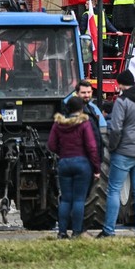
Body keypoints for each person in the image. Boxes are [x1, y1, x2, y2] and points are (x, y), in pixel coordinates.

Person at [99, 70, 135, 239]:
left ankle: (109, 230)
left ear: (121, 84)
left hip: (124, 152)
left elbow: (116, 128)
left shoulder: (122, 101)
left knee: (114, 189)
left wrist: (112, 146)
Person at [48, 95, 101, 239]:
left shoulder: (58, 124)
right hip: (82, 163)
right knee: (79, 200)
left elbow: (51, 145)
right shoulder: (84, 124)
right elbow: (91, 147)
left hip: (64, 162)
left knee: (65, 199)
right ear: (81, 108)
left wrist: (63, 152)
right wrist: (96, 168)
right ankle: (77, 231)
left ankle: (62, 232)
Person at [66, 80, 107, 163]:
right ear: (77, 93)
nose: (87, 95)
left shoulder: (91, 108)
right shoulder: (71, 110)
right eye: (83, 93)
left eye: (89, 92)